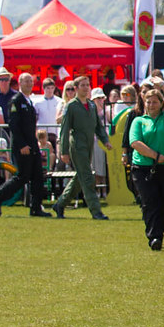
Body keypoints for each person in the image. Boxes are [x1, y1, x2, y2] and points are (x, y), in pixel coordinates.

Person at [129, 77, 164, 250]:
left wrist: (162, 85)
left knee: (163, 201)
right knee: (149, 200)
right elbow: (135, 142)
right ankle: (154, 236)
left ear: (161, 103)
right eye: (148, 102)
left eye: (154, 102)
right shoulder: (139, 121)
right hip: (143, 168)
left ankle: (158, 231)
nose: (151, 105)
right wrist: (155, 155)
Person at [0, 72, 52, 217]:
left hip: (32, 144)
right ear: (19, 83)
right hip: (22, 146)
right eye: (26, 81)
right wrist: (22, 144)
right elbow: (14, 125)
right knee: (23, 176)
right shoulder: (16, 100)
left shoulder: (29, 101)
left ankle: (36, 208)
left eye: (31, 81)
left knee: (37, 176)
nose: (29, 84)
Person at [52, 76, 112, 220]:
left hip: (89, 144)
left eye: (87, 85)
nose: (86, 88)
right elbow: (65, 129)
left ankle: (60, 204)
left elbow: (98, 125)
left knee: (80, 177)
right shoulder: (71, 106)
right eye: (83, 85)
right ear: (76, 88)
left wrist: (105, 140)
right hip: (77, 145)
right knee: (87, 177)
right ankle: (96, 210)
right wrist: (64, 151)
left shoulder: (91, 105)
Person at [32, 77, 62, 149]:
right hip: (41, 133)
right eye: (48, 88)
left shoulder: (60, 101)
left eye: (52, 88)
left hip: (55, 132)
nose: (50, 90)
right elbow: (35, 118)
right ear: (43, 88)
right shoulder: (37, 103)